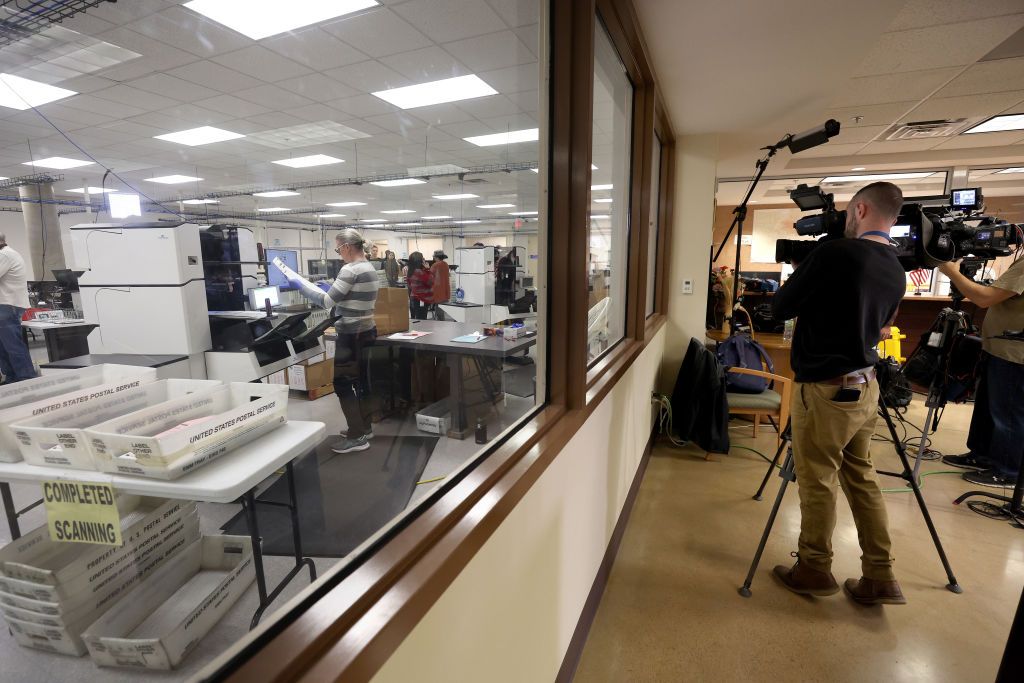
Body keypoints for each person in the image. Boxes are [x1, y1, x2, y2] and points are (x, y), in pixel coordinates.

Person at [771, 182, 908, 606]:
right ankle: (880, 576)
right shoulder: (897, 268)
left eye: (850, 211)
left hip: (827, 391)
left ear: (861, 209)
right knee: (861, 477)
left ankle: (813, 567)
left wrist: (813, 262)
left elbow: (780, 307)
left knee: (817, 478)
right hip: (866, 388)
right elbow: (881, 326)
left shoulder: (835, 254)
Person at [280, 229, 379, 454]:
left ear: (346, 247)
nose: (339, 254)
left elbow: (326, 302)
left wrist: (300, 285)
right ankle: (365, 427)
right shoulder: (369, 267)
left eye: (338, 249)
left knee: (343, 382)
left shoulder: (350, 269)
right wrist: (331, 288)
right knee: (361, 381)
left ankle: (357, 436)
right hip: (367, 331)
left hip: (351, 334)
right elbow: (347, 296)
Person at [938, 255, 1024, 488]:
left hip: (1014, 354)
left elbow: (984, 299)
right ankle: (982, 455)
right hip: (998, 348)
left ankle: (1008, 471)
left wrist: (950, 271)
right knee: (988, 408)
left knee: (1008, 413)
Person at [0, 233, 34, 384]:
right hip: (6, 305)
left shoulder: (5, 255)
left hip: (8, 305)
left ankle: (26, 379)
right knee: (3, 347)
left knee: (12, 345)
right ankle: (12, 378)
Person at [406, 251, 433, 320]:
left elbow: (409, 285)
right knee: (422, 319)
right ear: (419, 261)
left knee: (417, 318)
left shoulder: (410, 271)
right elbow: (430, 282)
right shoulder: (420, 272)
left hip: (414, 298)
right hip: (422, 298)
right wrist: (428, 269)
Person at [430, 249, 451, 319]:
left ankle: (441, 326)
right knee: (442, 310)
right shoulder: (446, 265)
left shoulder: (435, 265)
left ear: (436, 257)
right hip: (445, 290)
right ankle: (442, 324)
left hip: (437, 291)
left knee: (439, 311)